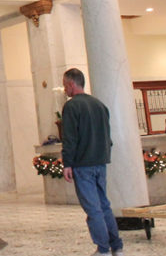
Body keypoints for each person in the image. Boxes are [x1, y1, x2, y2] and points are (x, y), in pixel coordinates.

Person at [61, 68, 124, 256]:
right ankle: (117, 247)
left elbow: (70, 138)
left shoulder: (72, 106)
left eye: (65, 86)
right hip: (100, 163)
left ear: (71, 84)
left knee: (93, 209)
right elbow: (107, 135)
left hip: (83, 165)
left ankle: (103, 250)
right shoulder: (99, 104)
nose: (64, 90)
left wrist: (67, 163)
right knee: (104, 205)